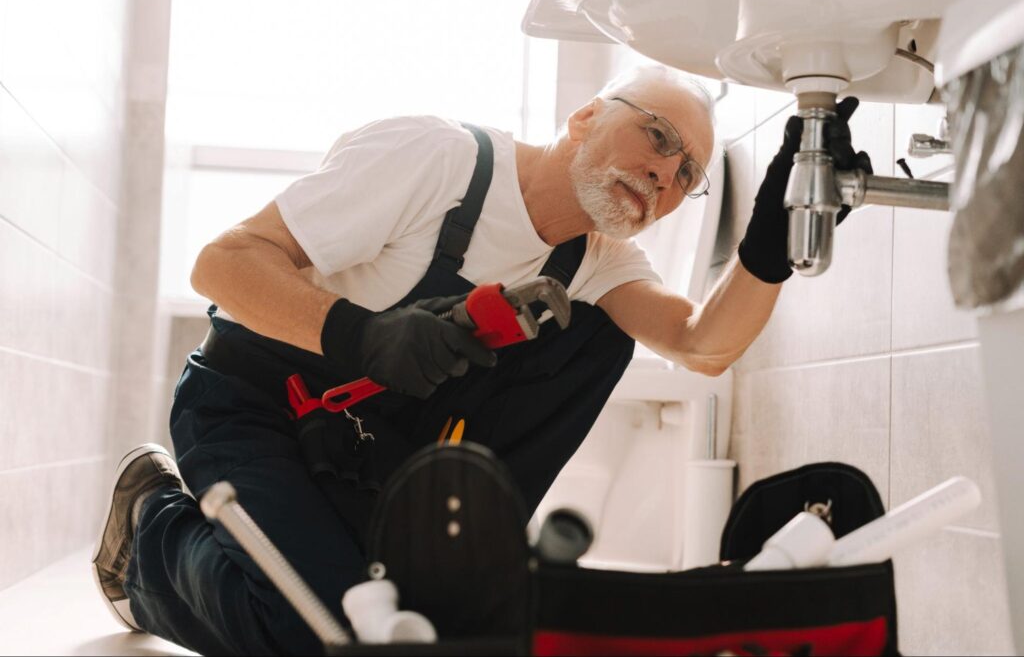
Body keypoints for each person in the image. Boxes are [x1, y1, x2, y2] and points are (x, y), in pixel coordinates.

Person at [91, 64, 869, 655]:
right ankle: (150, 532)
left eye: (686, 175)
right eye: (659, 138)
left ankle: (456, 546)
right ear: (587, 115)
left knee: (411, 629)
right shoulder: (438, 160)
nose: (666, 175)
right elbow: (223, 264)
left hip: (363, 441)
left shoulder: (600, 262)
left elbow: (703, 344)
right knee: (322, 635)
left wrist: (773, 241)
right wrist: (366, 336)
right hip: (249, 406)